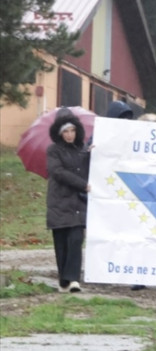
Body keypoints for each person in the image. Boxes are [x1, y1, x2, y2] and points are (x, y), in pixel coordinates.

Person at [46, 109, 91, 292]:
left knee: (76, 239)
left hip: (78, 203)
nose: (70, 135)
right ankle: (64, 279)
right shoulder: (53, 151)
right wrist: (83, 185)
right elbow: (58, 172)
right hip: (59, 201)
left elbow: (89, 168)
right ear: (59, 132)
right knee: (62, 242)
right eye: (66, 131)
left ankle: (73, 279)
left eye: (72, 130)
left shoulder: (82, 149)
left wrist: (91, 154)